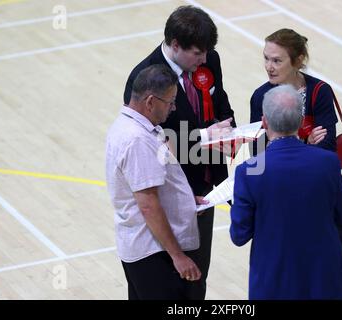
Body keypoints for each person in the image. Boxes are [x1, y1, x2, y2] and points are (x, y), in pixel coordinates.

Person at [123, 5, 236, 300]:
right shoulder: (143, 78)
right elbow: (152, 143)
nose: (203, 59)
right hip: (170, 192)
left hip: (207, 187)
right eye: (197, 53)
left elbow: (220, 102)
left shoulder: (210, 60)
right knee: (164, 283)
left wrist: (231, 131)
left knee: (197, 278)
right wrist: (203, 137)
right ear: (175, 45)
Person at [250, 28, 342, 299]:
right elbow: (258, 155)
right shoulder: (260, 97)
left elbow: (327, 150)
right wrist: (305, 143)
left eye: (277, 60)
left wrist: (286, 146)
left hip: (320, 191)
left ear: (298, 60)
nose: (269, 66)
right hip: (282, 199)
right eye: (266, 58)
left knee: (340, 259)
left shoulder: (318, 92)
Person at [230, 84, 342, 299]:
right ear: (300, 120)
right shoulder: (328, 162)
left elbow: (239, 235)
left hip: (275, 281)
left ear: (265, 121)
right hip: (324, 277)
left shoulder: (248, 172)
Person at [106, 64, 202, 300]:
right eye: (169, 102)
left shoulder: (129, 126)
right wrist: (177, 256)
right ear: (150, 102)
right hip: (154, 253)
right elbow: (147, 204)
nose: (173, 108)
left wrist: (186, 202)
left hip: (144, 248)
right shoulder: (137, 139)